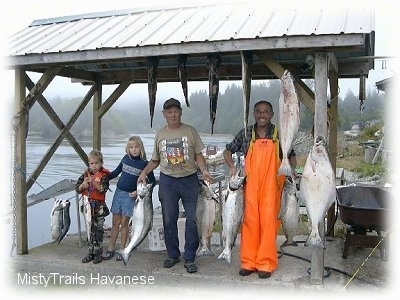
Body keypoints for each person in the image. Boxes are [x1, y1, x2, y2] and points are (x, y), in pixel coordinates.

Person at [138, 98, 213, 274]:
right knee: (169, 220)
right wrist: (143, 173)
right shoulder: (160, 134)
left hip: (190, 180)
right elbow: (155, 160)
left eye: (176, 111)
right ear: (164, 115)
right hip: (168, 181)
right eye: (169, 111)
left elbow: (199, 155)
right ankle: (172, 255)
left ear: (180, 112)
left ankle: (190, 257)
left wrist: (204, 170)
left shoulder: (190, 131)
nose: (173, 114)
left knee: (193, 219)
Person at [223, 100, 297, 279]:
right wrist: (232, 166)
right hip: (249, 187)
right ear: (254, 114)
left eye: (265, 112)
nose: (262, 115)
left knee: (269, 223)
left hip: (273, 186)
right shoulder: (246, 133)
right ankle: (248, 262)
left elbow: (291, 157)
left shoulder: (280, 134)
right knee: (249, 223)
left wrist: (291, 171)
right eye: (258, 112)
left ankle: (266, 262)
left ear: (271, 115)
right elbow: (227, 151)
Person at [102, 136, 156, 261]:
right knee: (115, 222)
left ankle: (123, 249)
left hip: (130, 196)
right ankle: (110, 248)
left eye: (136, 147)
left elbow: (151, 182)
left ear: (141, 148)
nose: (134, 149)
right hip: (118, 193)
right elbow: (115, 173)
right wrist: (102, 176)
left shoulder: (145, 164)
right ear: (128, 149)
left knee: (124, 223)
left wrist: (138, 192)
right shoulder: (125, 159)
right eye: (131, 147)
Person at [75, 149, 110, 264]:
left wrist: (93, 182)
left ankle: (98, 253)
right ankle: (90, 252)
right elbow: (77, 189)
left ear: (101, 163)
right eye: (91, 163)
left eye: (96, 163)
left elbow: (102, 189)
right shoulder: (85, 174)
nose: (94, 166)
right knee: (89, 230)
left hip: (99, 207)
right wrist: (82, 185)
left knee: (98, 230)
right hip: (87, 206)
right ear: (88, 164)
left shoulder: (104, 176)